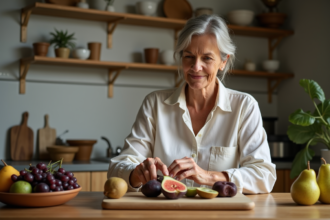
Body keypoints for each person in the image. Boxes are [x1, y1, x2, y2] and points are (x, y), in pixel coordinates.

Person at [107, 14, 276, 194]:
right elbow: (117, 168)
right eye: (189, 56)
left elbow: (264, 175)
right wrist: (136, 173)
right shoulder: (155, 104)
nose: (196, 67)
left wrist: (208, 177)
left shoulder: (244, 106)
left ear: (223, 62)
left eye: (207, 58)